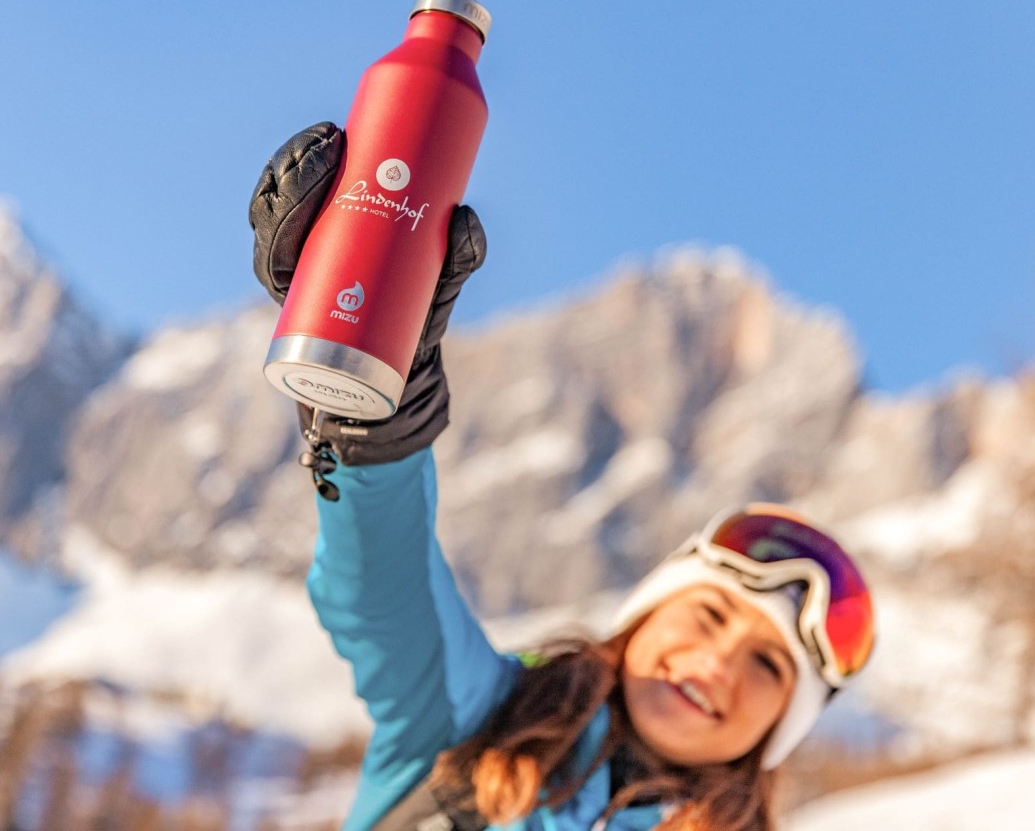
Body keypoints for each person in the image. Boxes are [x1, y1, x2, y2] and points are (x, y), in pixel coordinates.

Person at [249, 123, 877, 831]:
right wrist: (368, 400)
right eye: (707, 614)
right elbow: (385, 588)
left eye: (768, 666)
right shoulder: (481, 716)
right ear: (643, 616)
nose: (718, 664)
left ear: (780, 732)